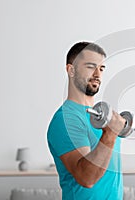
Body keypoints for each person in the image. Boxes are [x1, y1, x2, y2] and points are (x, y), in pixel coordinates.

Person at [47, 42, 126, 200]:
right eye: (90, 67)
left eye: (101, 68)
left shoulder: (104, 117)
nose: (97, 74)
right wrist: (110, 134)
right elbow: (86, 178)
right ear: (71, 70)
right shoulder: (65, 120)